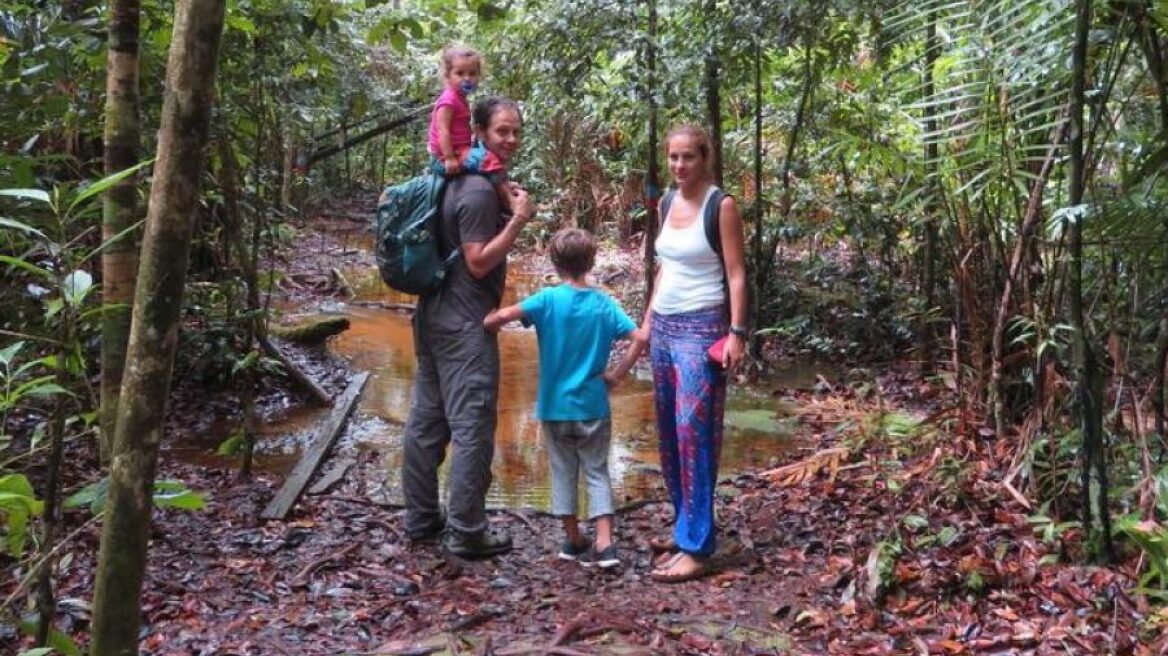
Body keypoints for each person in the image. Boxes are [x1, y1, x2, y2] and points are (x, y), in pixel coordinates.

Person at [401, 96, 533, 557]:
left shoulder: (447, 181)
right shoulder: (476, 190)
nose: (511, 139)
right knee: (472, 425)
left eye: (516, 131)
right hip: (463, 323)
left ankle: (420, 519)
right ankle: (467, 531)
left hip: (432, 313)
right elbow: (478, 262)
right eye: (501, 131)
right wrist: (516, 220)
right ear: (477, 131)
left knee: (427, 420)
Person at [483, 228, 647, 569]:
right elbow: (640, 337)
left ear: (554, 262)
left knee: (562, 471)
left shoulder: (546, 300)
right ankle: (604, 543)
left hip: (554, 408)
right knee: (597, 471)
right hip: (593, 406)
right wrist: (616, 375)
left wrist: (488, 323)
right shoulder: (604, 304)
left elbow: (498, 318)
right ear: (591, 261)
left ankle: (573, 541)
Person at [642, 124, 748, 583]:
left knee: (694, 433)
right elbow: (664, 267)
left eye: (688, 157)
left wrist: (737, 332)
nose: (679, 166)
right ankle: (686, 523)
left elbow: (737, 273)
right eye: (673, 158)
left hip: (701, 330)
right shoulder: (667, 202)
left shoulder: (720, 206)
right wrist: (646, 323)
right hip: (664, 329)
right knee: (669, 432)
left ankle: (699, 547)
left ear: (704, 157)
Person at [427, 44, 506, 184]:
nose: (467, 78)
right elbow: (442, 130)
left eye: (472, 73)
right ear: (448, 75)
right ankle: (505, 192)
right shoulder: (448, 100)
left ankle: (500, 184)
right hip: (446, 157)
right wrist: (449, 158)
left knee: (488, 151)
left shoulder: (460, 97)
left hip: (460, 149)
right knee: (488, 160)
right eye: (460, 73)